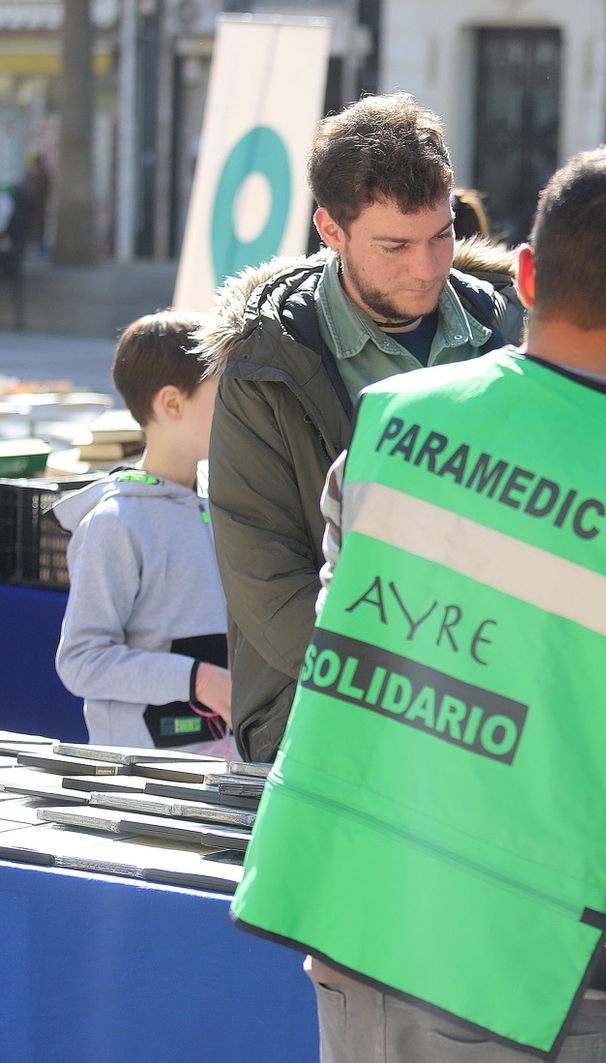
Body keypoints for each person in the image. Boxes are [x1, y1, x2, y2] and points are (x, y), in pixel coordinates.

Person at [232, 145, 606, 1061]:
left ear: (524, 273)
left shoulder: (389, 421)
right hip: (546, 973)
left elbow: (349, 638)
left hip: (352, 915)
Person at [198, 92, 523, 762]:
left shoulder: (509, 335)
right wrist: (405, 705)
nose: (428, 267)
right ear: (330, 229)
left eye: (442, 235)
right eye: (395, 246)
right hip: (324, 721)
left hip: (491, 725)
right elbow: (265, 581)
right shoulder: (263, 366)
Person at [55, 311, 233, 756]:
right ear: (171, 403)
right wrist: (198, 679)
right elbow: (82, 661)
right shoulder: (115, 524)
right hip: (143, 783)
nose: (238, 406)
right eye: (223, 392)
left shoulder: (227, 505)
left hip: (227, 774)